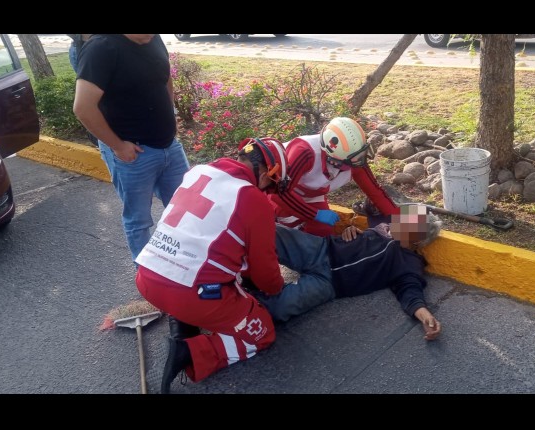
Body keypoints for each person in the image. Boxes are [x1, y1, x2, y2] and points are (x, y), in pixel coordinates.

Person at [135, 137, 290, 394]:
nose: (268, 192)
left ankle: (182, 319)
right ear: (264, 172)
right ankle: (190, 353)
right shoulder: (253, 199)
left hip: (147, 278)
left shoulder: (198, 171)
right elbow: (265, 275)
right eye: (271, 185)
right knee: (262, 333)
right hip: (189, 294)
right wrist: (276, 287)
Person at [73, 34, 190, 262]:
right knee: (139, 221)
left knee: (184, 208)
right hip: (132, 153)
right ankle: (147, 274)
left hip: (170, 146)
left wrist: (171, 112)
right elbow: (83, 108)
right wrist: (117, 146)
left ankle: (182, 266)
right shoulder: (101, 48)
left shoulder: (153, 39)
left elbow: (164, 77)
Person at [254, 204, 443, 341]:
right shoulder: (383, 227)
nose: (400, 223)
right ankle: (231, 261)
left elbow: (410, 291)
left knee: (278, 308)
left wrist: (425, 316)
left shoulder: (409, 262)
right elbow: (370, 204)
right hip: (321, 249)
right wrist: (350, 229)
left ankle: (236, 301)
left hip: (329, 283)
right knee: (270, 231)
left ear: (418, 241)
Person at [269, 116, 400, 237]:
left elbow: (375, 191)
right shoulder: (305, 152)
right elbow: (278, 193)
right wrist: (315, 214)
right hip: (276, 189)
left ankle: (311, 253)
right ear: (332, 159)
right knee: (288, 223)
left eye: (360, 156)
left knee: (324, 229)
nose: (358, 164)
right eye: (351, 161)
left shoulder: (353, 158)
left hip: (311, 193)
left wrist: (398, 220)